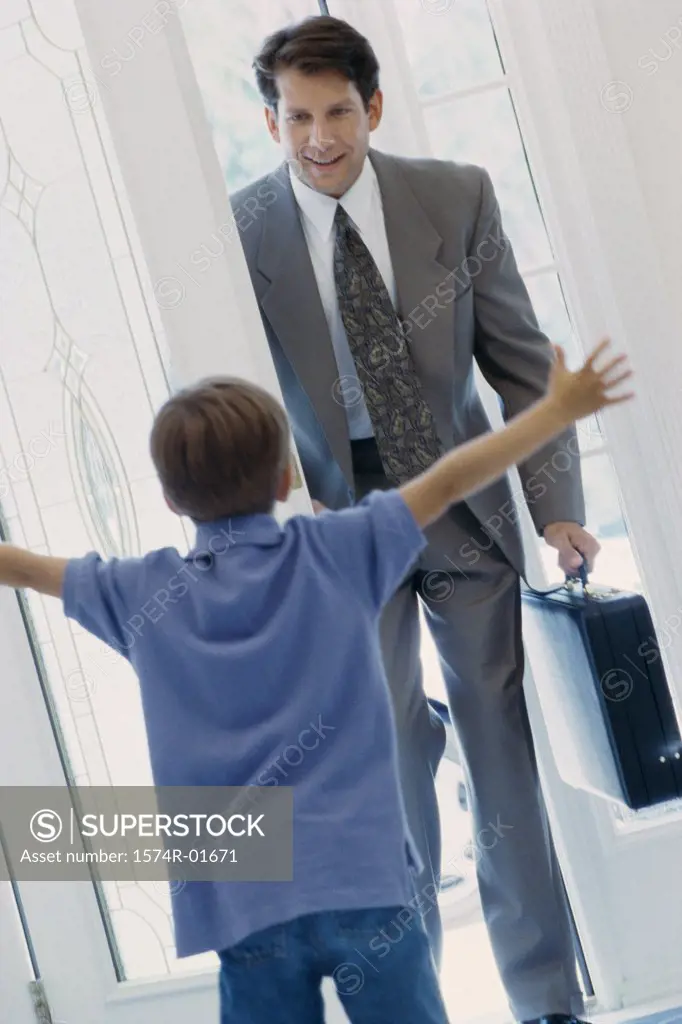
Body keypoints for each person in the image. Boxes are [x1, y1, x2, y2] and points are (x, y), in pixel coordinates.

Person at [0, 340, 631, 1024]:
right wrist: (557, 410)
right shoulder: (335, 553)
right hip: (364, 880)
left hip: (243, 901)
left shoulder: (139, 593)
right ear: (283, 481)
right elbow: (449, 480)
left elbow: (22, 567)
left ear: (170, 500)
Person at [232, 14, 605, 1023]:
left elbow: (524, 365)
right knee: (391, 760)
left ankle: (544, 1001)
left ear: (373, 107)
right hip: (338, 520)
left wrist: (558, 511)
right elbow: (241, 397)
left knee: (500, 748)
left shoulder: (455, 195)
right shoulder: (240, 230)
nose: (319, 136)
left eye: (337, 112)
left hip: (459, 498)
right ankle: (412, 998)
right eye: (296, 116)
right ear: (270, 121)